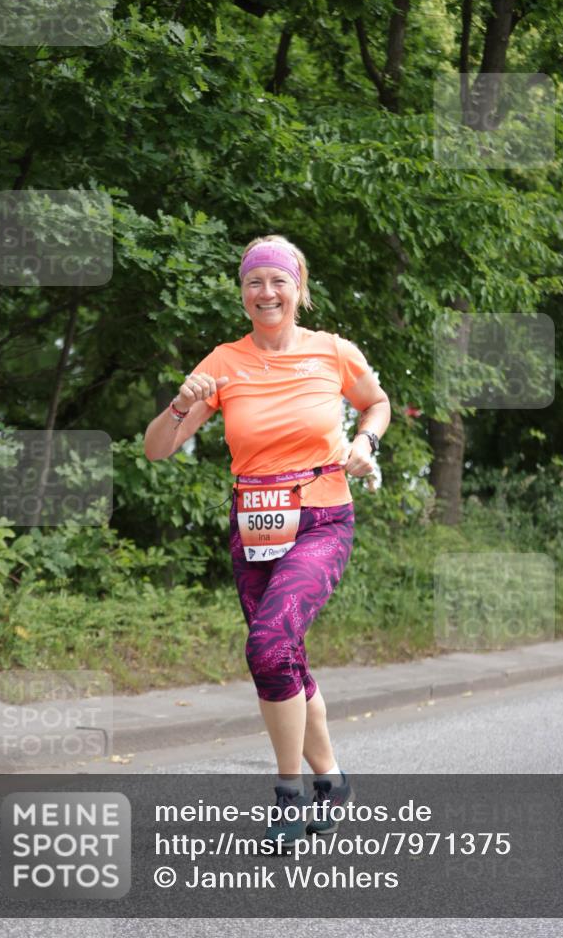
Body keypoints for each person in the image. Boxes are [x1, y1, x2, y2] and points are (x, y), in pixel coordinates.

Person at [144, 234, 391, 846]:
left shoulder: (333, 352)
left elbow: (377, 403)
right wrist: (180, 405)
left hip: (322, 517)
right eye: (255, 281)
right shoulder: (222, 363)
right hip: (253, 525)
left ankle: (288, 791)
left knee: (268, 644)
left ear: (298, 289)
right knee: (282, 657)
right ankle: (331, 780)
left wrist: (365, 444)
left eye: (278, 280)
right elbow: (156, 448)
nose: (266, 291)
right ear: (243, 293)